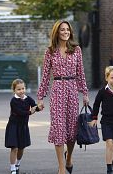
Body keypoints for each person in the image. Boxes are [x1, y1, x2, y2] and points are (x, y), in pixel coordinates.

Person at [37, 20, 89, 174]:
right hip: (58, 90)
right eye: (62, 30)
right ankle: (61, 169)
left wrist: (84, 93)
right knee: (59, 129)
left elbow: (81, 73)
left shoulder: (76, 50)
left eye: (67, 30)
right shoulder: (50, 51)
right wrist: (40, 97)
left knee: (72, 131)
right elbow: (45, 76)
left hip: (72, 90)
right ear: (57, 33)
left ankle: (69, 158)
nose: (65, 32)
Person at [5, 79, 40, 174]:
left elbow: (34, 106)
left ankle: (17, 164)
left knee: (21, 147)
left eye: (23, 88)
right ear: (14, 90)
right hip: (13, 126)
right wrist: (30, 112)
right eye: (19, 89)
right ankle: (12, 169)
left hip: (23, 126)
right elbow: (19, 112)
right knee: (14, 147)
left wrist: (38, 107)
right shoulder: (13, 101)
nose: (21, 91)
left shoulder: (28, 99)